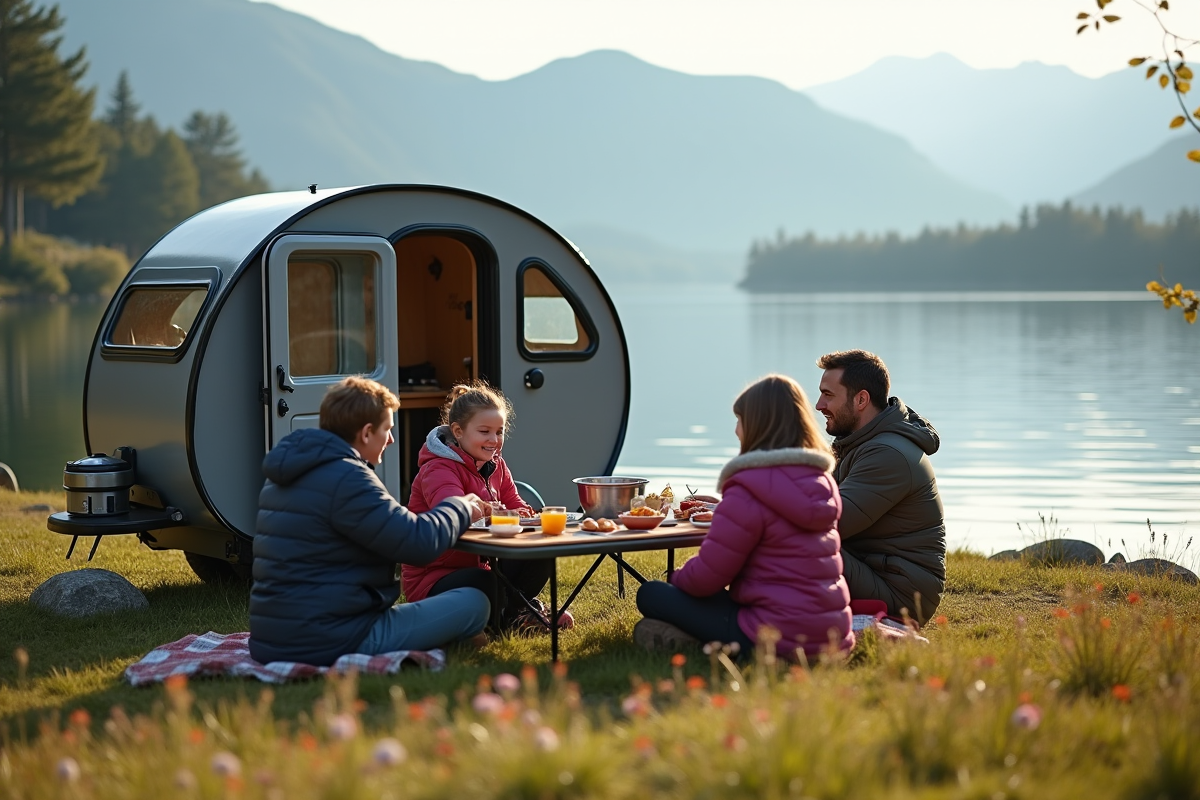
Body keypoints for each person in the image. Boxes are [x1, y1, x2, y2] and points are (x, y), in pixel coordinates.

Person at [250, 376, 491, 666]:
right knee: (475, 602)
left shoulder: (285, 475)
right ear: (366, 433)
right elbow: (417, 542)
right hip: (333, 639)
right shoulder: (347, 477)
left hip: (271, 640)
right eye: (387, 429)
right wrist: (461, 506)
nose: (391, 439)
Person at [633, 374, 854, 660]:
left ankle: (702, 644)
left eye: (740, 420)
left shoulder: (749, 489)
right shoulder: (821, 483)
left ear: (758, 425)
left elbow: (707, 577)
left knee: (651, 594)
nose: (737, 430)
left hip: (776, 636)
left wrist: (676, 579)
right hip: (832, 635)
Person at [402, 382, 572, 634]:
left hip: (482, 563)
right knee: (486, 582)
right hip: (434, 575)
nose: (494, 440)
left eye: (499, 432)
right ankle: (515, 614)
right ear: (458, 431)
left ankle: (515, 613)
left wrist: (525, 515)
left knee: (540, 550)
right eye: (484, 432)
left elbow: (516, 504)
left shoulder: (497, 465)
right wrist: (489, 511)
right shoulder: (438, 468)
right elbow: (450, 511)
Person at [815, 349, 946, 624]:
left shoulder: (887, 454)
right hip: (872, 569)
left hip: (902, 596)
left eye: (828, 395)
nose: (818, 405)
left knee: (798, 541)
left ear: (861, 400)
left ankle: (745, 618)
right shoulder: (861, 442)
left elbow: (829, 522)